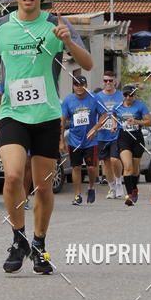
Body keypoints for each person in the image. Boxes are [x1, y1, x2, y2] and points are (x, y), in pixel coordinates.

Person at [0, 0, 92, 274]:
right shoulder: (0, 27)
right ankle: (18, 239)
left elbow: (87, 61)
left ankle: (40, 244)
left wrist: (68, 41)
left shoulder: (57, 24)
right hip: (12, 114)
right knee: (15, 176)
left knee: (43, 188)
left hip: (46, 115)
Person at [60, 76, 99, 205]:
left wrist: (95, 129)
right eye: (76, 85)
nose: (79, 87)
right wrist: (61, 140)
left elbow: (105, 115)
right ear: (73, 87)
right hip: (74, 140)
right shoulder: (68, 100)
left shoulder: (93, 98)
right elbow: (62, 120)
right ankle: (77, 195)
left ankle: (91, 187)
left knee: (91, 167)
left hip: (90, 140)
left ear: (86, 86)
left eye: (82, 85)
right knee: (75, 167)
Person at [112, 85, 151, 206]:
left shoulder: (140, 106)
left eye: (131, 95)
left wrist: (137, 121)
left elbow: (149, 122)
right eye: (126, 95)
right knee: (127, 166)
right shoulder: (118, 106)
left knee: (135, 169)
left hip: (137, 138)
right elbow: (113, 115)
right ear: (123, 95)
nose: (128, 97)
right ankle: (129, 195)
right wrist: (114, 125)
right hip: (124, 138)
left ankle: (134, 189)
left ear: (134, 95)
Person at [94, 71, 124, 199]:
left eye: (110, 81)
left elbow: (127, 110)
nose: (107, 83)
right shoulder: (97, 96)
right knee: (106, 162)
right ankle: (111, 188)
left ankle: (118, 183)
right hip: (102, 134)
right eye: (105, 81)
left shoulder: (121, 96)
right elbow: (93, 113)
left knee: (114, 159)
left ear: (115, 82)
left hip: (117, 133)